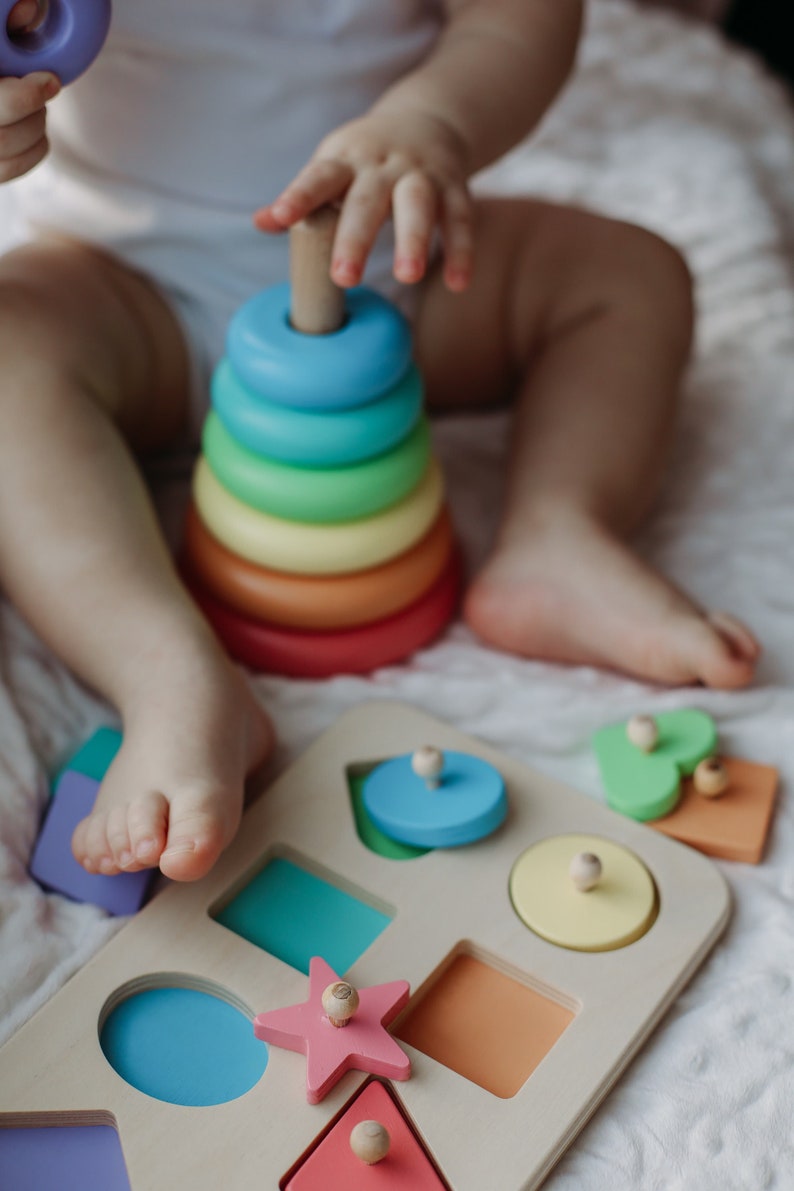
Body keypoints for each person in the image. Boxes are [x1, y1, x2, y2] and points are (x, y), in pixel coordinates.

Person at [0, 0, 759, 884]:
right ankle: (169, 672)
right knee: (10, 349)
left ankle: (559, 530)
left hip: (394, 271)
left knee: (629, 276)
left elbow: (524, 21)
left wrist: (432, 119)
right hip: (130, 282)